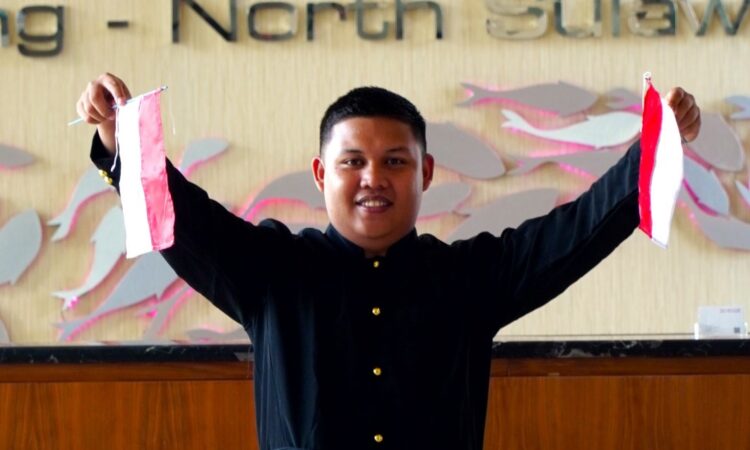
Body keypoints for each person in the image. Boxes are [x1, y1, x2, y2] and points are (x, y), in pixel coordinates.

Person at [77, 73, 700, 450]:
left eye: (395, 161)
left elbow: (576, 232)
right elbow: (183, 218)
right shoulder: (271, 272)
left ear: (425, 172)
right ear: (321, 174)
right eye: (352, 162)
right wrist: (117, 140)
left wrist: (657, 145)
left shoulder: (469, 280)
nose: (373, 178)